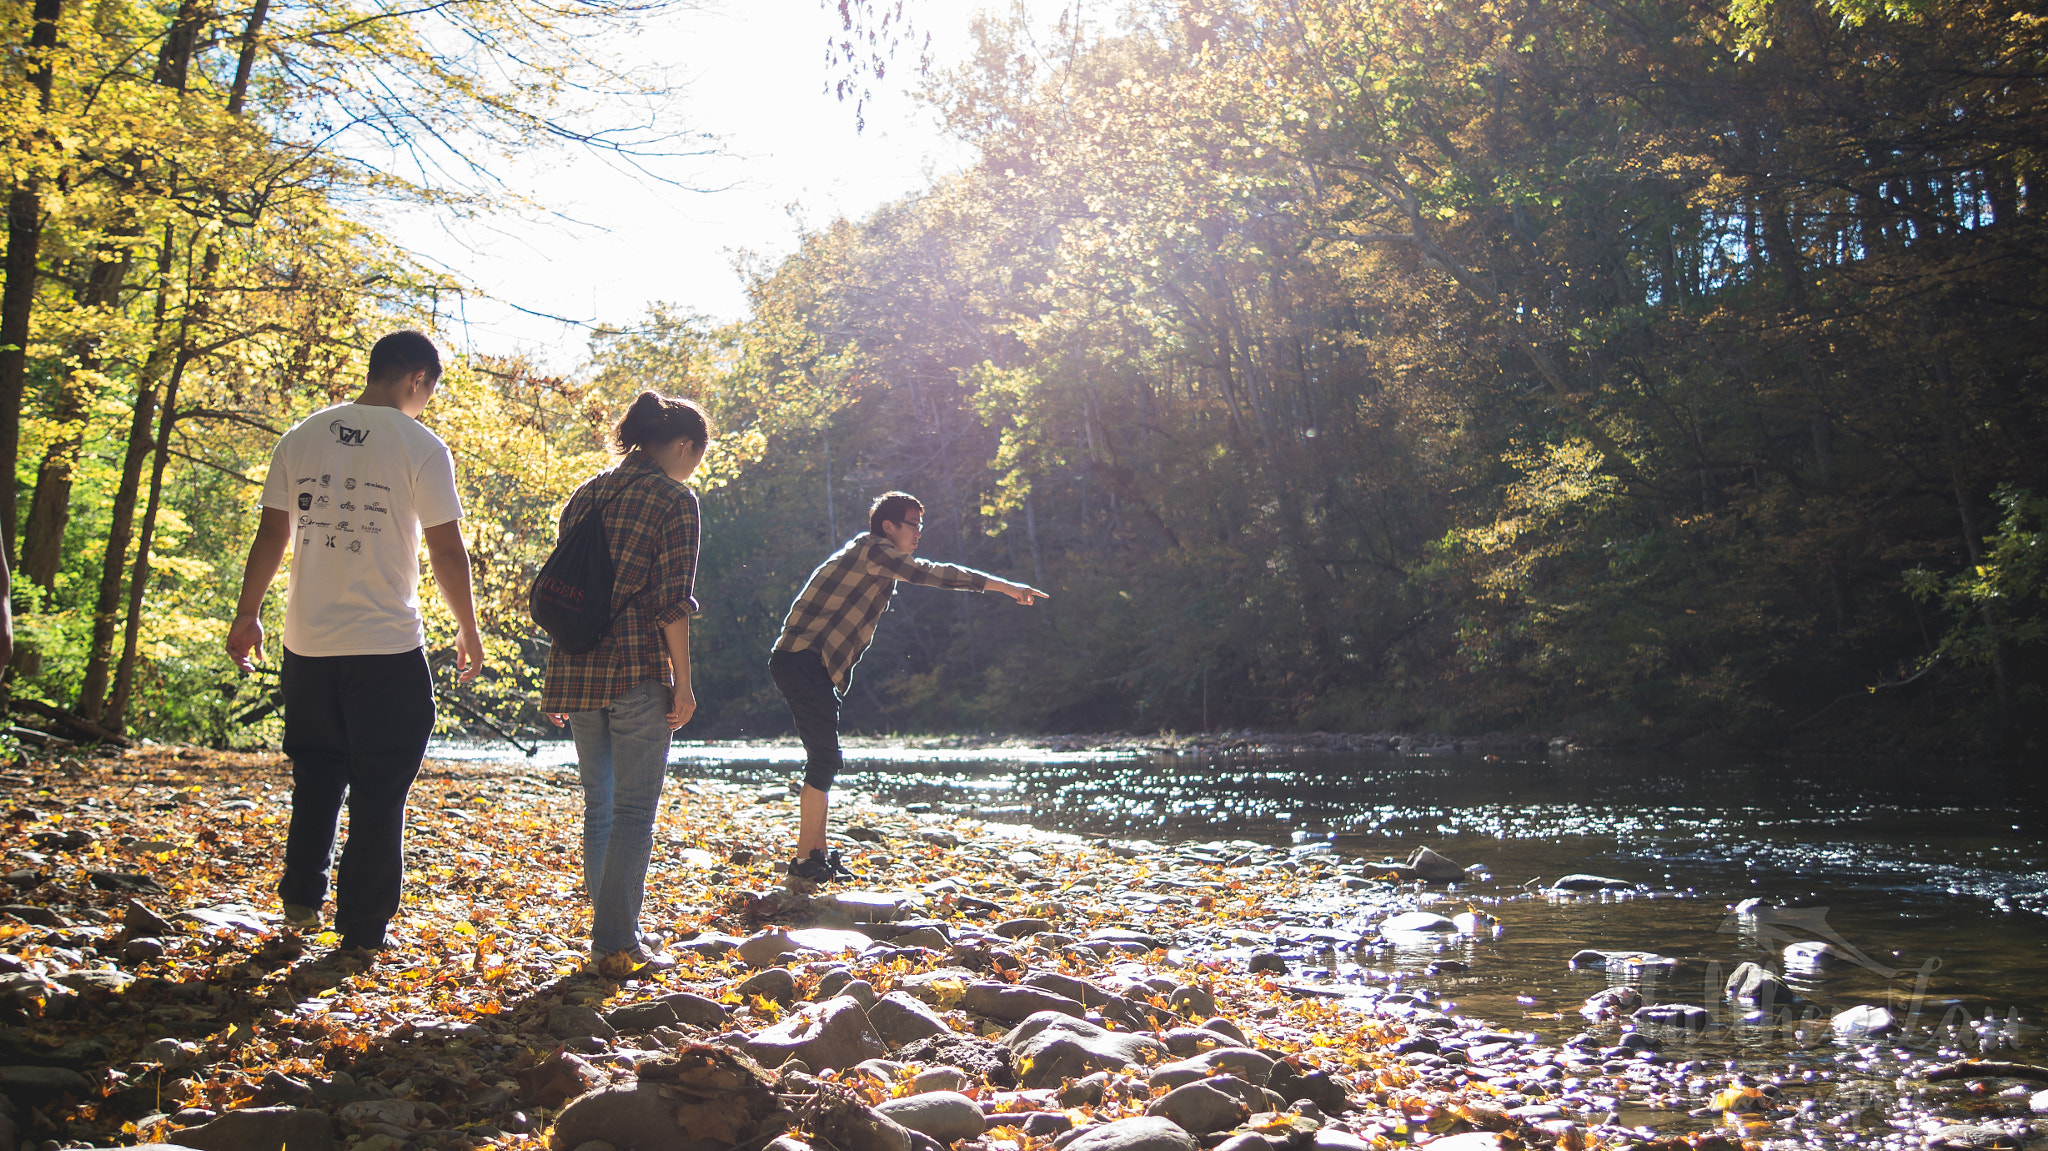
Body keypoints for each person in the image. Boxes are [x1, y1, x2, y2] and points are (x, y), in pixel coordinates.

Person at [227, 330, 483, 958]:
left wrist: (247, 616)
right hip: (385, 645)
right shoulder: (421, 446)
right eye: (429, 391)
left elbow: (271, 536)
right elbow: (446, 550)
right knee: (381, 784)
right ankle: (362, 930)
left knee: (317, 771)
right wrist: (468, 628)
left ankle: (300, 904)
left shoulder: (301, 436)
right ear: (417, 379)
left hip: (307, 643)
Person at [770, 491, 1048, 883]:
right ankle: (803, 863)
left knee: (825, 760)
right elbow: (933, 574)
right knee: (825, 759)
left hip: (811, 665)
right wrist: (1003, 586)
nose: (919, 533)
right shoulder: (874, 552)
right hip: (802, 659)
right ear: (889, 527)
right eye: (913, 524)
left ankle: (816, 855)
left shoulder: (877, 560)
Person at [542, 391, 708, 978]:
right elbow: (671, 603)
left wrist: (555, 681)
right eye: (697, 455)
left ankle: (613, 928)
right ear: (683, 446)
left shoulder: (588, 491)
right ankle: (614, 941)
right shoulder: (674, 499)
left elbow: (568, 589)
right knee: (635, 810)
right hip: (635, 667)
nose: (694, 469)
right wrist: (683, 683)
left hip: (578, 668)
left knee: (601, 807)